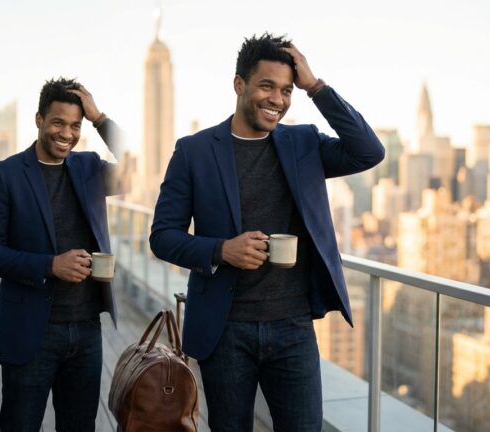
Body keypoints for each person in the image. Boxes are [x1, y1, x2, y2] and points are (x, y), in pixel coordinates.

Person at [150, 33, 385, 431]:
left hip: (293, 328)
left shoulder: (303, 142)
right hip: (224, 330)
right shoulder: (194, 151)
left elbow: (368, 151)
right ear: (239, 84)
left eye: (286, 90)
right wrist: (222, 250)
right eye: (266, 86)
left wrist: (315, 86)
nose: (277, 98)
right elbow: (162, 236)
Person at [0, 77, 123, 431]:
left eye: (75, 125)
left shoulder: (89, 168)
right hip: (30, 332)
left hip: (86, 330)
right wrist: (50, 265)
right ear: (39, 119)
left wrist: (99, 118)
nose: (67, 133)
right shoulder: (5, 175)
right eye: (58, 122)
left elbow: (133, 167)